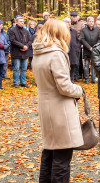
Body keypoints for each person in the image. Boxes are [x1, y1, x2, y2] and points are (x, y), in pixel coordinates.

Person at [32, 19, 83, 183]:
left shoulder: (39, 53)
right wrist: (79, 90)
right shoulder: (56, 54)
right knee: (62, 160)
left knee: (49, 156)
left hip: (47, 110)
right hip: (61, 112)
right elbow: (64, 87)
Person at [9, 16, 32, 88]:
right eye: (21, 21)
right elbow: (12, 40)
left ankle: (23, 82)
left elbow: (30, 40)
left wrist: (27, 46)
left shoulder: (26, 31)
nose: (22, 23)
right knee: (16, 68)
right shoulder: (12, 30)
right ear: (16, 22)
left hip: (25, 53)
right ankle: (16, 83)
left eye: (23, 21)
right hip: (16, 53)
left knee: (24, 69)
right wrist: (22, 46)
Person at [80, 16, 100, 84]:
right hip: (86, 50)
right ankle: (86, 79)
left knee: (94, 65)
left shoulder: (97, 30)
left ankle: (93, 78)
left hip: (95, 50)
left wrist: (95, 47)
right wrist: (89, 47)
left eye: (92, 21)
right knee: (86, 65)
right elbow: (82, 39)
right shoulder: (83, 30)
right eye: (90, 21)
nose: (91, 22)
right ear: (87, 22)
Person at [63, 18, 80, 83]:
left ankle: (72, 79)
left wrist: (77, 47)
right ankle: (66, 80)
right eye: (67, 22)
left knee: (73, 65)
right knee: (65, 66)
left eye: (70, 22)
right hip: (65, 51)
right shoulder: (61, 31)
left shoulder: (74, 31)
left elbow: (77, 40)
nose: (69, 23)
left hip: (73, 51)